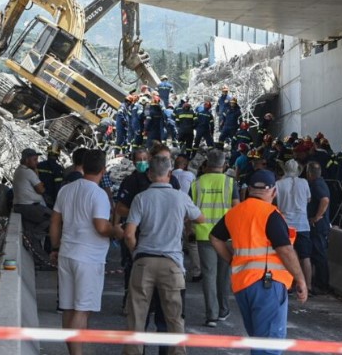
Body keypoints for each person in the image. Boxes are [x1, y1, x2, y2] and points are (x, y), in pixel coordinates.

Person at [209, 170, 308, 354]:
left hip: (243, 285)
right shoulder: (271, 214)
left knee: (259, 340)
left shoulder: (235, 213)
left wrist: (233, 260)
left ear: (249, 190)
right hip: (267, 284)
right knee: (269, 345)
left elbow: (214, 238)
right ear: (273, 192)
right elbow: (285, 250)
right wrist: (300, 278)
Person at [123, 155, 204, 355]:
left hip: (144, 262)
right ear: (169, 174)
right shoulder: (181, 197)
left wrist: (136, 254)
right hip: (172, 264)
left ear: (149, 174)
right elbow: (201, 218)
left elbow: (128, 234)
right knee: (174, 318)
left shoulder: (141, 198)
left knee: (137, 317)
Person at [49, 149, 123, 355]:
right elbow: (101, 227)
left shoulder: (66, 189)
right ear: (103, 169)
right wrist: (115, 231)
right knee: (82, 309)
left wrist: (55, 247)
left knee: (69, 308)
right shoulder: (98, 194)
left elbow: (55, 222)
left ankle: (73, 352)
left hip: (66, 253)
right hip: (88, 259)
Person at [190, 149, 240, 327]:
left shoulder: (196, 183)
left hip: (204, 235)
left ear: (206, 165)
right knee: (223, 275)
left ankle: (211, 314)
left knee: (209, 275)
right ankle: (223, 310)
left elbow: (191, 211)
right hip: (225, 236)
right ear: (224, 164)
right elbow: (236, 209)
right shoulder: (230, 183)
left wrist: (190, 231)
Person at [275, 159, 313, 290]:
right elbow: (308, 199)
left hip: (285, 224)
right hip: (302, 224)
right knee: (305, 257)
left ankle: (288, 284)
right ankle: (307, 285)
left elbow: (274, 201)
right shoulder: (304, 182)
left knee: (287, 255)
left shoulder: (279, 184)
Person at [12, 148, 51, 249]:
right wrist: (39, 181)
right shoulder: (28, 172)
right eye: (34, 160)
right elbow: (41, 190)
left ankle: (33, 238)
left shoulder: (19, 170)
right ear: (26, 160)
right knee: (54, 218)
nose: (37, 162)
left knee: (34, 242)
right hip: (29, 207)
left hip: (22, 206)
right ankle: (35, 234)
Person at [305, 161, 331, 293]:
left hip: (318, 226)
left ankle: (322, 284)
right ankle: (319, 281)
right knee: (316, 253)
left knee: (319, 254)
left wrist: (317, 216)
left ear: (309, 173)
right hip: (319, 225)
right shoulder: (320, 183)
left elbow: (325, 199)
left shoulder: (316, 185)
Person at [38, 143, 65, 209]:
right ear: (57, 155)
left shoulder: (39, 165)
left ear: (48, 154)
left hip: (37, 195)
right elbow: (58, 186)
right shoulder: (58, 168)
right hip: (50, 199)